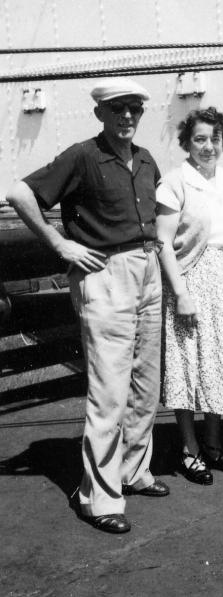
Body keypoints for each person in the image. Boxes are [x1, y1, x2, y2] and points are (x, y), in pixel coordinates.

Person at [6, 77, 169, 534]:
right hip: (106, 274)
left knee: (144, 382)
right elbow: (20, 194)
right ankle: (97, 498)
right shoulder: (82, 156)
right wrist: (61, 245)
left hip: (146, 270)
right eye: (118, 109)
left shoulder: (146, 159)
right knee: (109, 390)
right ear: (100, 113)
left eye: (134, 108)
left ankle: (133, 471)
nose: (127, 116)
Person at [156, 108, 223, 484]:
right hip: (191, 278)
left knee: (219, 359)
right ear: (187, 143)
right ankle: (189, 448)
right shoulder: (175, 182)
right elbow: (162, 241)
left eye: (215, 138)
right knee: (188, 360)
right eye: (199, 139)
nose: (208, 146)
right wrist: (180, 292)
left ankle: (213, 443)